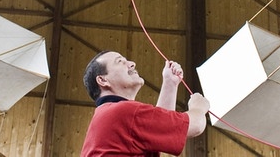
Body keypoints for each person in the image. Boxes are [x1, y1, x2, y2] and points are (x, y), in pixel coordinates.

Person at [81, 50, 211, 156]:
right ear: (103, 80)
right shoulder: (123, 112)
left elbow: (160, 129)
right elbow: (195, 125)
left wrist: (170, 83)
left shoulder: (111, 115)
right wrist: (198, 107)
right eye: (120, 62)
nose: (132, 63)